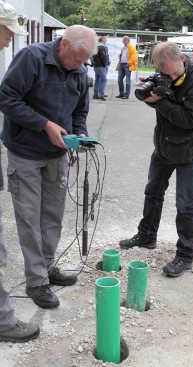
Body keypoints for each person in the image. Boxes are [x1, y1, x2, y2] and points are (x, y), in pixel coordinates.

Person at [0, 24, 98, 309]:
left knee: (53, 216)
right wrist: (44, 125)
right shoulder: (31, 57)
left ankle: (47, 266)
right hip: (26, 153)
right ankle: (36, 283)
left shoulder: (79, 69)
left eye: (84, 62)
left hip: (58, 155)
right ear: (64, 44)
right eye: (77, 58)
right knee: (30, 220)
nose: (80, 66)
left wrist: (78, 134)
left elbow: (80, 111)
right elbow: (7, 98)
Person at [119, 41, 193, 277]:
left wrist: (160, 102)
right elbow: (164, 104)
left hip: (188, 152)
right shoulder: (164, 74)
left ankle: (185, 255)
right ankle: (147, 236)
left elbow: (190, 119)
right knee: (153, 192)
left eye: (173, 72)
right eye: (164, 73)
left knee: (185, 203)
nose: (169, 76)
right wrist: (152, 96)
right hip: (164, 146)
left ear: (182, 57)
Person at [0, 0, 40, 342]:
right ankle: (2, 322)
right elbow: (8, 100)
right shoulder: (29, 60)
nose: (8, 41)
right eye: (6, 33)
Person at [92, 36, 109, 101]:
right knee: (104, 79)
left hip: (96, 66)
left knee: (97, 80)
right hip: (101, 66)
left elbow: (93, 57)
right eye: (104, 41)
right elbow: (103, 57)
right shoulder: (102, 47)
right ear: (101, 41)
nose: (105, 42)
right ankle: (101, 94)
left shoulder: (95, 47)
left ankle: (95, 94)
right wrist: (105, 64)